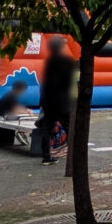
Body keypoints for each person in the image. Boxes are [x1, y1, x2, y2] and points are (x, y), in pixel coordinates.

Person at [38, 36, 75, 165]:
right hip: (62, 101)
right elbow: (70, 82)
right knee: (70, 127)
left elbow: (45, 83)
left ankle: (46, 157)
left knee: (47, 128)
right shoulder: (67, 62)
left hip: (48, 101)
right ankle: (74, 156)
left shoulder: (50, 61)